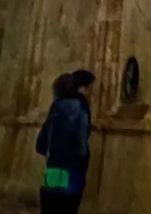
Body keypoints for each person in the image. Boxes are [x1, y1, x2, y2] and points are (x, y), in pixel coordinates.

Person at [37, 70, 95, 214]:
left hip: (53, 171)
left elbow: (40, 144)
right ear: (81, 88)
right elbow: (81, 147)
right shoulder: (81, 109)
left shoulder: (55, 107)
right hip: (72, 172)